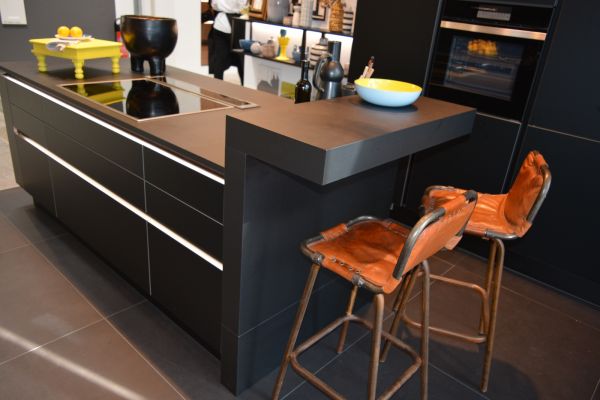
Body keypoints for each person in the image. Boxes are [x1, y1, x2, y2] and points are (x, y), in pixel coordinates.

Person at [208, 0, 246, 83]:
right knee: (241, 58)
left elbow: (214, 4)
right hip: (237, 23)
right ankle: (245, 86)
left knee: (219, 59)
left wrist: (224, 7)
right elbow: (243, 5)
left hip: (220, 24)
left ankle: (218, 86)